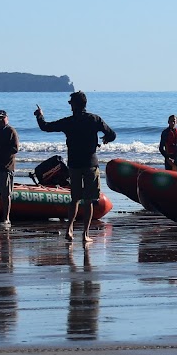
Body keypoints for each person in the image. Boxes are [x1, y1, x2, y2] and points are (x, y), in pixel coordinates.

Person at [35, 91, 116, 242]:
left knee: (75, 199)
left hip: (74, 164)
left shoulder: (69, 121)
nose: (70, 105)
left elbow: (46, 127)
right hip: (90, 164)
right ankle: (85, 234)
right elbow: (112, 134)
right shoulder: (94, 119)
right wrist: (106, 138)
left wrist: (39, 115)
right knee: (90, 199)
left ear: (75, 105)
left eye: (71, 103)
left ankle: (70, 229)